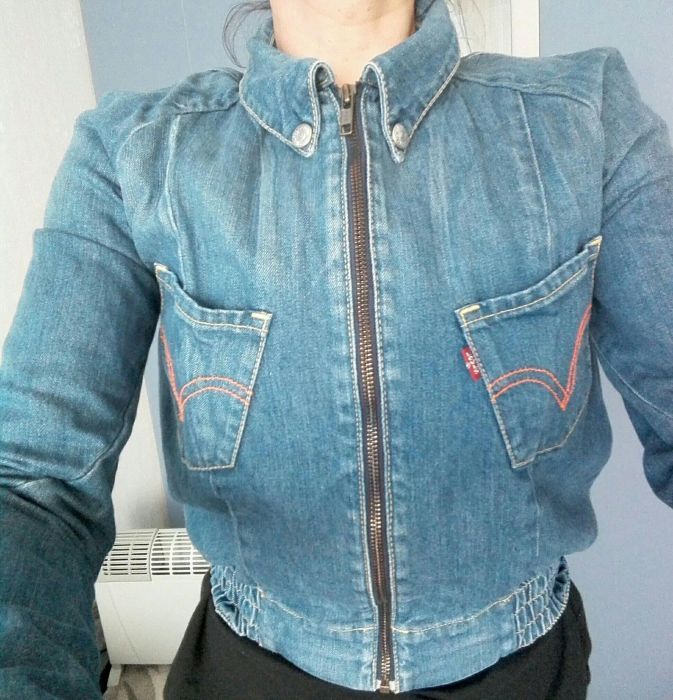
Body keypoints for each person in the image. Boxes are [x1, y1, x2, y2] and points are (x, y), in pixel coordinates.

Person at [1, 0, 672, 698]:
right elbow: (30, 484)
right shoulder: (131, 152)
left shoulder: (587, 118)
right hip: (249, 671)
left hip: (523, 671)